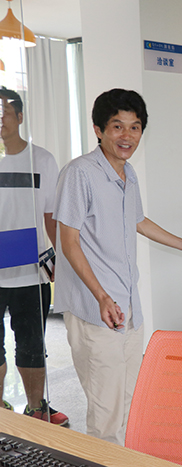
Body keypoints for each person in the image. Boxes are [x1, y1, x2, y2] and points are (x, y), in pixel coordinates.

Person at [53, 89, 182, 445]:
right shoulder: (80, 173)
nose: (127, 136)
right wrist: (101, 296)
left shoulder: (128, 173)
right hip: (95, 309)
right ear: (98, 130)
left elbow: (138, 220)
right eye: (117, 126)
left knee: (129, 401)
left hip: (126, 305)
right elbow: (69, 241)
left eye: (135, 127)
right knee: (105, 413)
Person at [0, 88, 68, 425]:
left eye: (4, 113)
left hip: (32, 270)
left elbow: (52, 215)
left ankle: (36, 408)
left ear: (20, 116)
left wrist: (62, 261)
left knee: (31, 344)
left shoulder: (42, 159)